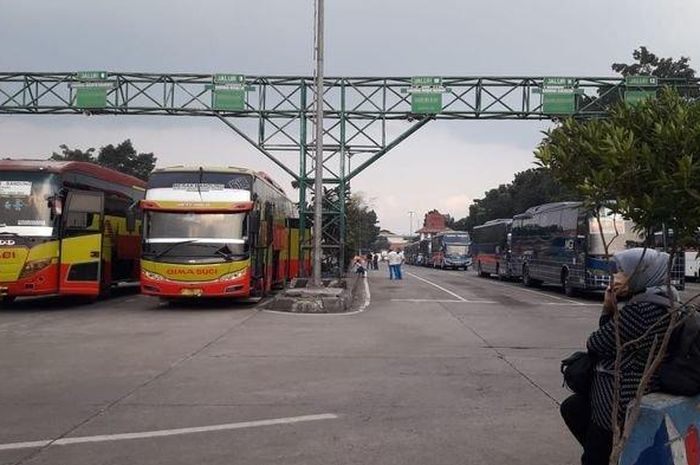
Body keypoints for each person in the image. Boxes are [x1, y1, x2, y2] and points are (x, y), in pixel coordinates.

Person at [560, 248, 676, 465]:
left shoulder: (643, 309)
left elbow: (596, 343)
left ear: (641, 272)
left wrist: (607, 308)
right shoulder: (665, 300)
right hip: (631, 391)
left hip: (618, 399)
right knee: (573, 408)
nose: (615, 278)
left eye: (622, 272)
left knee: (595, 455)